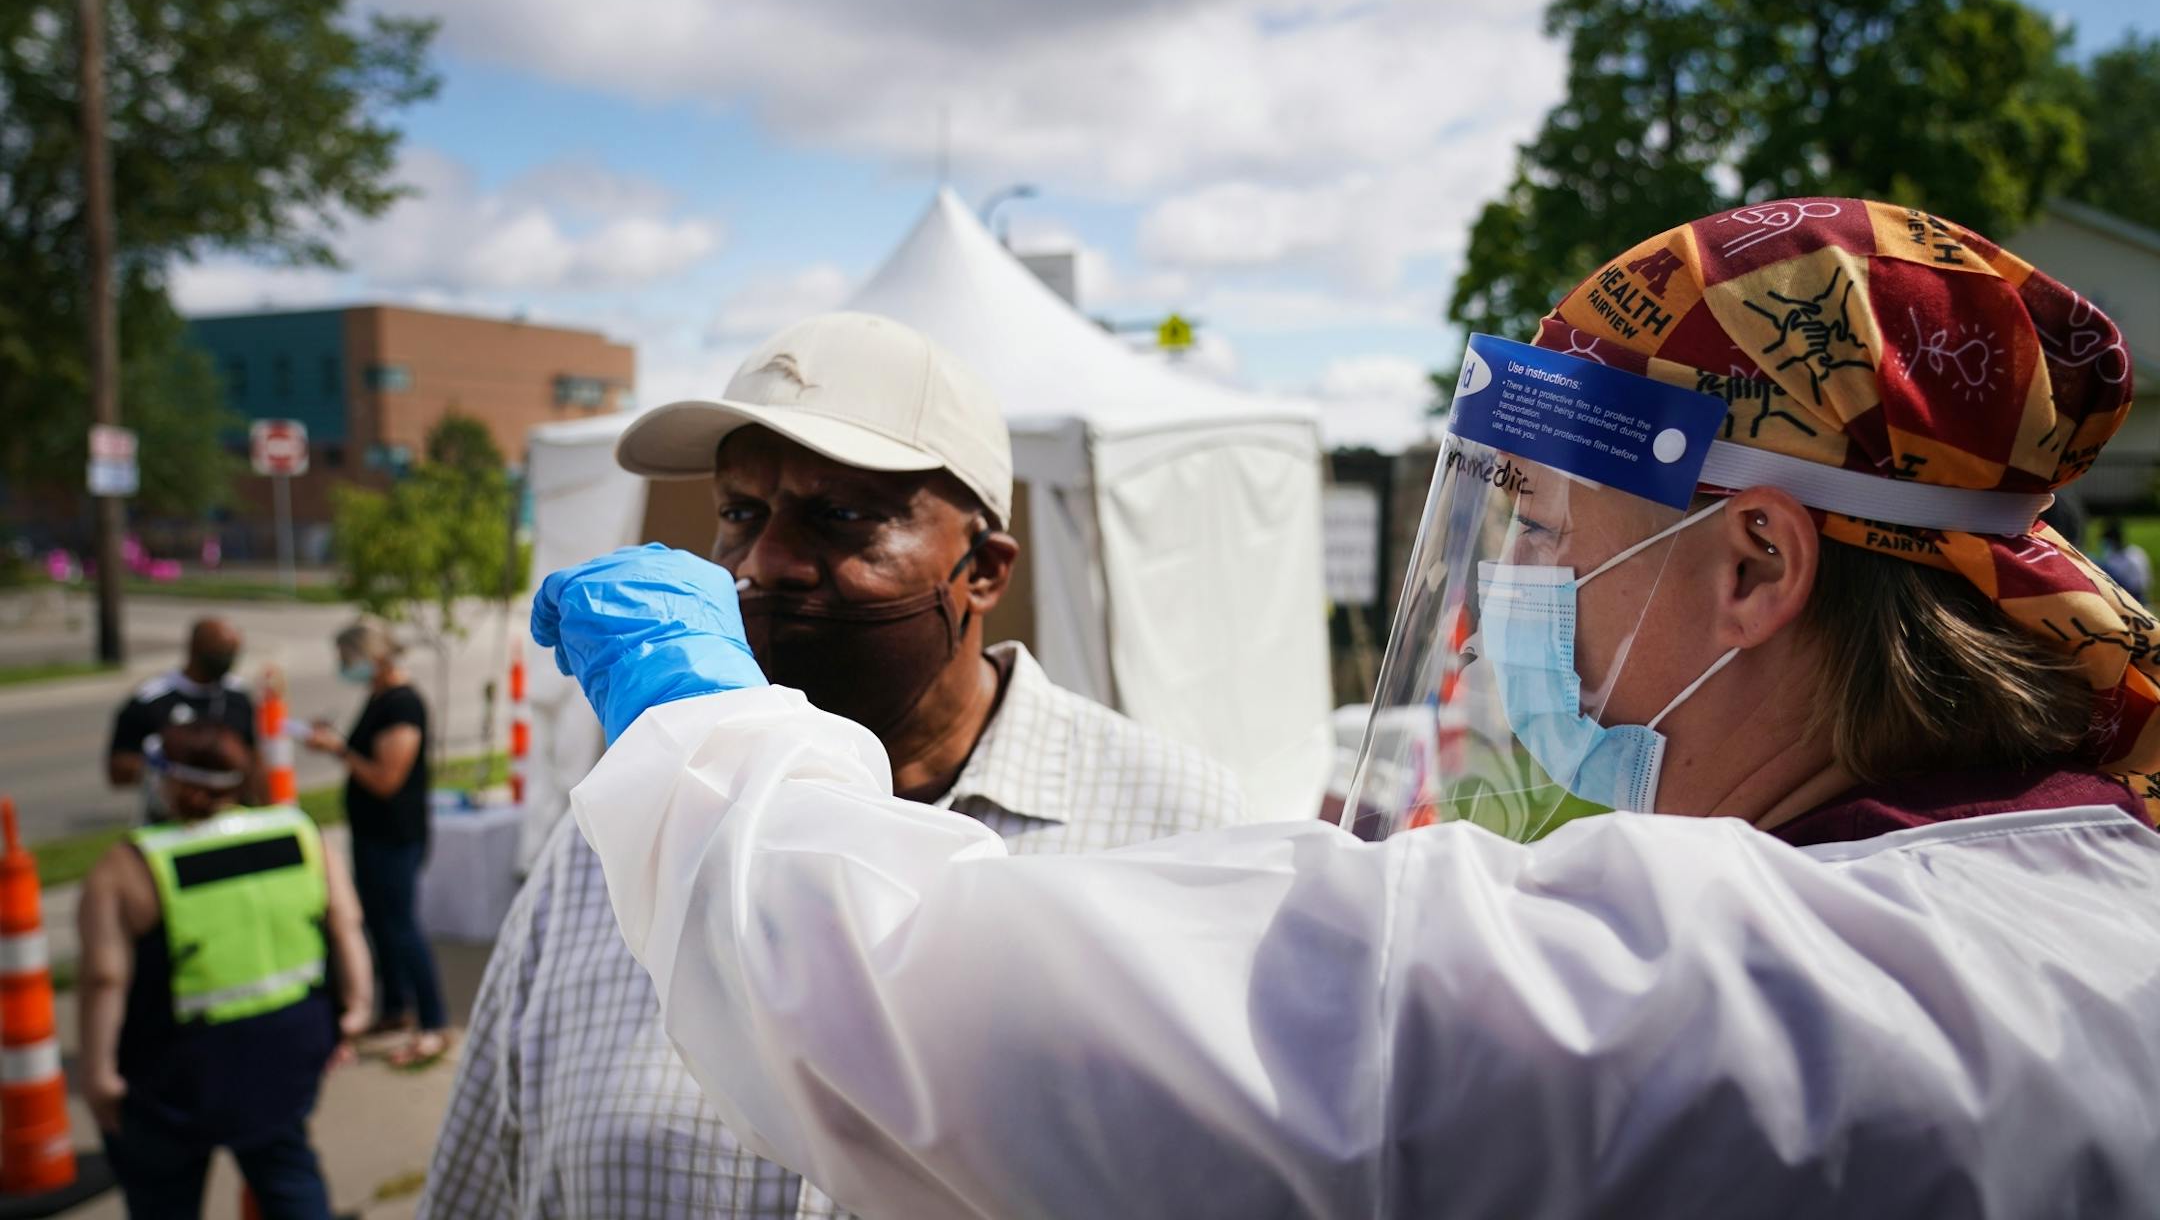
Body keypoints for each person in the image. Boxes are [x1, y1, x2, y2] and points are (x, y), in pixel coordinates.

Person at [539, 200, 2160, 1216]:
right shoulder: (2076, 910)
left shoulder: (1700, 994)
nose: (1510, 599)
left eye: (1539, 531)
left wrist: (696, 721)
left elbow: (869, 998)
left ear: (1752, 565)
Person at [420, 312, 1245, 1219]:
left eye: (842, 515)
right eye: (740, 514)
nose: (766, 563)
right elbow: (479, 1187)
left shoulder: (1172, 823)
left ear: (985, 571)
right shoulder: (635, 821)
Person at [75, 700, 371, 1219]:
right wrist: (355, 1010)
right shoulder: (298, 832)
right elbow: (346, 925)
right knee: (286, 1171)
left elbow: (104, 978)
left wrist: (98, 1076)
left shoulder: (131, 865)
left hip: (177, 1072)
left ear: (175, 783)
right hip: (287, 1051)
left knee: (164, 1194)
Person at [304, 617, 447, 1069]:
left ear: (375, 657)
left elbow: (387, 778)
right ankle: (395, 1007)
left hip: (395, 836)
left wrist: (339, 751)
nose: (344, 668)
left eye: (349, 660)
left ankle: (433, 1022)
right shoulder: (379, 697)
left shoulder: (403, 704)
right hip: (372, 834)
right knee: (382, 926)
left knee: (402, 928)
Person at [108, 617, 259, 820]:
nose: (227, 659)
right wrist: (172, 771)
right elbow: (118, 770)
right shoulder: (150, 700)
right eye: (220, 651)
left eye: (232, 652)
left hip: (233, 820)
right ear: (196, 648)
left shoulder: (238, 696)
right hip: (172, 821)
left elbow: (255, 759)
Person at [2097, 517, 2152, 602]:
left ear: (2113, 540)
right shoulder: (2111, 555)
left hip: (2136, 597)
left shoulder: (2134, 556)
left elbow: (2139, 584)